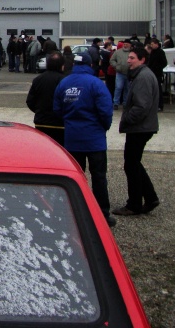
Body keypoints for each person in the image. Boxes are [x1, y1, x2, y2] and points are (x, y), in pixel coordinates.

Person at [53, 51, 116, 227]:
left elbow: (57, 109)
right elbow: (105, 111)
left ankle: (74, 211)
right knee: (99, 177)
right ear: (90, 66)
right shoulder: (96, 84)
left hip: (72, 137)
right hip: (94, 139)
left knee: (75, 177)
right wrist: (103, 126)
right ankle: (102, 214)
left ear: (73, 65)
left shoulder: (64, 83)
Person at [113, 46, 160, 216]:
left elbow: (141, 106)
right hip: (141, 127)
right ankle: (150, 197)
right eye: (129, 58)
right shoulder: (141, 75)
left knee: (131, 165)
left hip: (140, 128)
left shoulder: (143, 78)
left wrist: (127, 119)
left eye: (132, 58)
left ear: (142, 60)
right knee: (134, 163)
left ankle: (134, 204)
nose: (128, 61)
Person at [26, 51, 65, 145]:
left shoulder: (38, 79)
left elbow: (30, 101)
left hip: (41, 121)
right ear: (62, 65)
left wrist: (39, 110)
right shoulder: (64, 80)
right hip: (60, 123)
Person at [110, 40, 132, 108]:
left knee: (127, 88)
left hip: (129, 73)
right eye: (124, 44)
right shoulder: (118, 52)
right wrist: (116, 66)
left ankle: (125, 103)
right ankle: (116, 103)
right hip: (120, 73)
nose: (125, 45)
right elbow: (112, 60)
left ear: (130, 45)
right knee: (118, 88)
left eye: (127, 44)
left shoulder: (132, 52)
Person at [147, 38, 167, 112]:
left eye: (152, 44)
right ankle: (153, 104)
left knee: (158, 89)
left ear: (156, 44)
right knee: (152, 90)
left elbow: (164, 63)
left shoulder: (160, 52)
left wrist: (157, 68)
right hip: (152, 72)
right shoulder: (152, 52)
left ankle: (160, 105)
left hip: (157, 73)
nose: (151, 46)